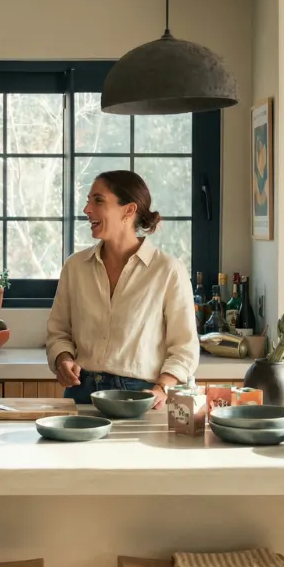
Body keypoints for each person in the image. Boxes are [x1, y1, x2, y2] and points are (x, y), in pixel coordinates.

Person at [46, 170, 199, 408]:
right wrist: (62, 360)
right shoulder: (75, 267)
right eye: (88, 201)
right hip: (81, 392)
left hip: (141, 396)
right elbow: (59, 332)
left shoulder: (168, 270)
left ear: (129, 210)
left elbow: (185, 347)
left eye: (98, 200)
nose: (87, 209)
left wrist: (161, 388)